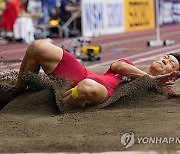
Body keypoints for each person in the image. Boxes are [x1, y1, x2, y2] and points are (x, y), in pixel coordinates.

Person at [13, 40, 180, 108]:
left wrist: (158, 84)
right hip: (83, 74)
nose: (165, 60)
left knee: (87, 87)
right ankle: (17, 92)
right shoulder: (129, 65)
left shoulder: (161, 91)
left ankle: (61, 105)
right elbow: (117, 66)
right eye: (165, 56)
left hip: (103, 92)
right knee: (38, 47)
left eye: (171, 63)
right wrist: (150, 78)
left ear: (173, 75)